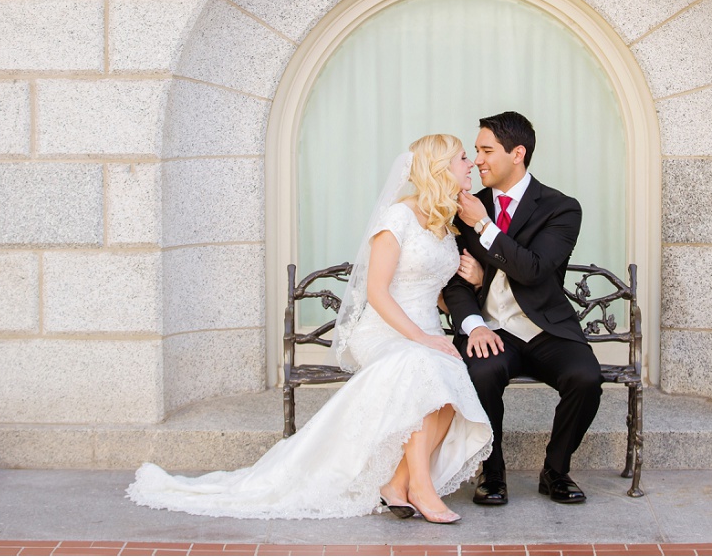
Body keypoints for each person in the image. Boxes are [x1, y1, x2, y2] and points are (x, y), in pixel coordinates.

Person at [127, 135, 493, 522]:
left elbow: (429, 288)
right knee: (424, 368)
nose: (470, 165)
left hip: (425, 330)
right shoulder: (397, 218)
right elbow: (379, 292)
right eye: (463, 158)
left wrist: (473, 281)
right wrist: (420, 338)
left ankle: (397, 482)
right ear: (439, 168)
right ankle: (421, 488)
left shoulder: (444, 222)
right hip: (386, 331)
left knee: (450, 385)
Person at [442, 112, 602, 506]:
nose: (477, 160)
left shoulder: (561, 209)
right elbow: (454, 281)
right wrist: (473, 324)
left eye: (486, 150)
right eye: (475, 151)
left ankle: (556, 469)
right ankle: (492, 473)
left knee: (585, 378)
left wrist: (484, 228)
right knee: (481, 370)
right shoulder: (464, 207)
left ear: (517, 153)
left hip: (547, 327)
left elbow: (533, 270)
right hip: (494, 329)